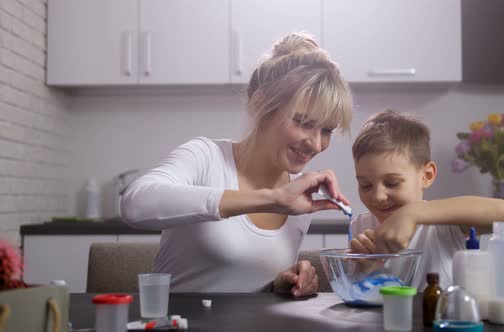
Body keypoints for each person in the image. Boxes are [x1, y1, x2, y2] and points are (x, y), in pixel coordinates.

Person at [121, 33, 353, 296]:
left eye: (327, 131)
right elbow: (135, 204)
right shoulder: (205, 157)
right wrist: (270, 199)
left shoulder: (299, 202)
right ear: (261, 103)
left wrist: (282, 283)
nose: (316, 143)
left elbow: (246, 282)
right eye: (304, 122)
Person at [348, 109, 504, 290]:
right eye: (365, 185)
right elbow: (364, 297)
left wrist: (413, 213)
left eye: (392, 182)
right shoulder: (359, 227)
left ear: (426, 175)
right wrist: (370, 270)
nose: (378, 196)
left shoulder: (443, 226)